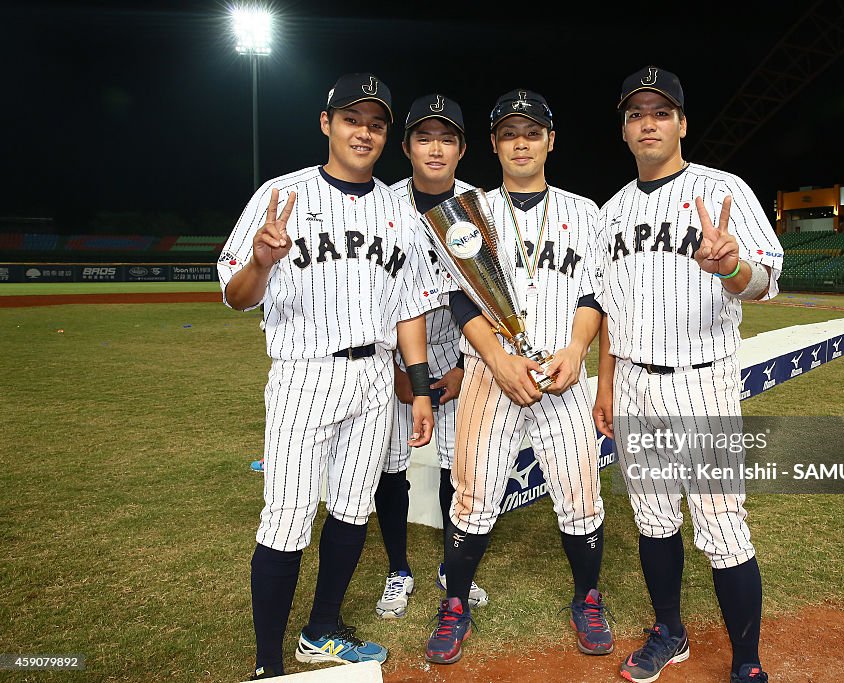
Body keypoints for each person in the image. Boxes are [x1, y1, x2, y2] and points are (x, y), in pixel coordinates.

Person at [217, 72, 443, 680]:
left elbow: (410, 306)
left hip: (374, 379)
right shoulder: (280, 194)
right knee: (287, 518)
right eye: (351, 119)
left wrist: (419, 390)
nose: (363, 132)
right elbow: (236, 296)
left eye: (374, 123)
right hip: (303, 374)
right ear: (327, 124)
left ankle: (320, 633)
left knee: (350, 510)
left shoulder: (400, 213)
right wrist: (262, 262)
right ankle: (268, 666)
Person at [593, 66, 784, 683]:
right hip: (634, 383)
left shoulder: (722, 188)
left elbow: (764, 282)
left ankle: (747, 662)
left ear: (681, 122)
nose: (647, 123)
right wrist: (605, 386)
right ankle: (670, 633)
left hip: (702, 378)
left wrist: (731, 266)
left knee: (723, 525)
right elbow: (606, 310)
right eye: (635, 114)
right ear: (625, 131)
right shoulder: (612, 211)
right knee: (652, 518)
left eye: (660, 112)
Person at [423, 88, 613, 664]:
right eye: (510, 134)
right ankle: (455, 602)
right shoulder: (468, 209)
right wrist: (499, 360)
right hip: (490, 373)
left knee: (581, 498)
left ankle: (587, 596)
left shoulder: (585, 212)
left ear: (550, 141)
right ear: (494, 144)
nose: (521, 143)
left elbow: (594, 292)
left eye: (532, 133)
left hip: (561, 374)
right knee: (473, 498)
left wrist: (578, 348)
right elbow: (458, 297)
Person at [373, 93, 490, 620]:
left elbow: (495, 294)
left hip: (462, 358)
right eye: (425, 137)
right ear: (407, 146)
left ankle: (451, 565)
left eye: (446, 138)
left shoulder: (480, 206)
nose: (435, 148)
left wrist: (469, 366)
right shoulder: (381, 203)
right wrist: (398, 369)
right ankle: (399, 568)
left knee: (455, 468)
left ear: (462, 149)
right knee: (388, 467)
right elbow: (370, 291)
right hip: (395, 359)